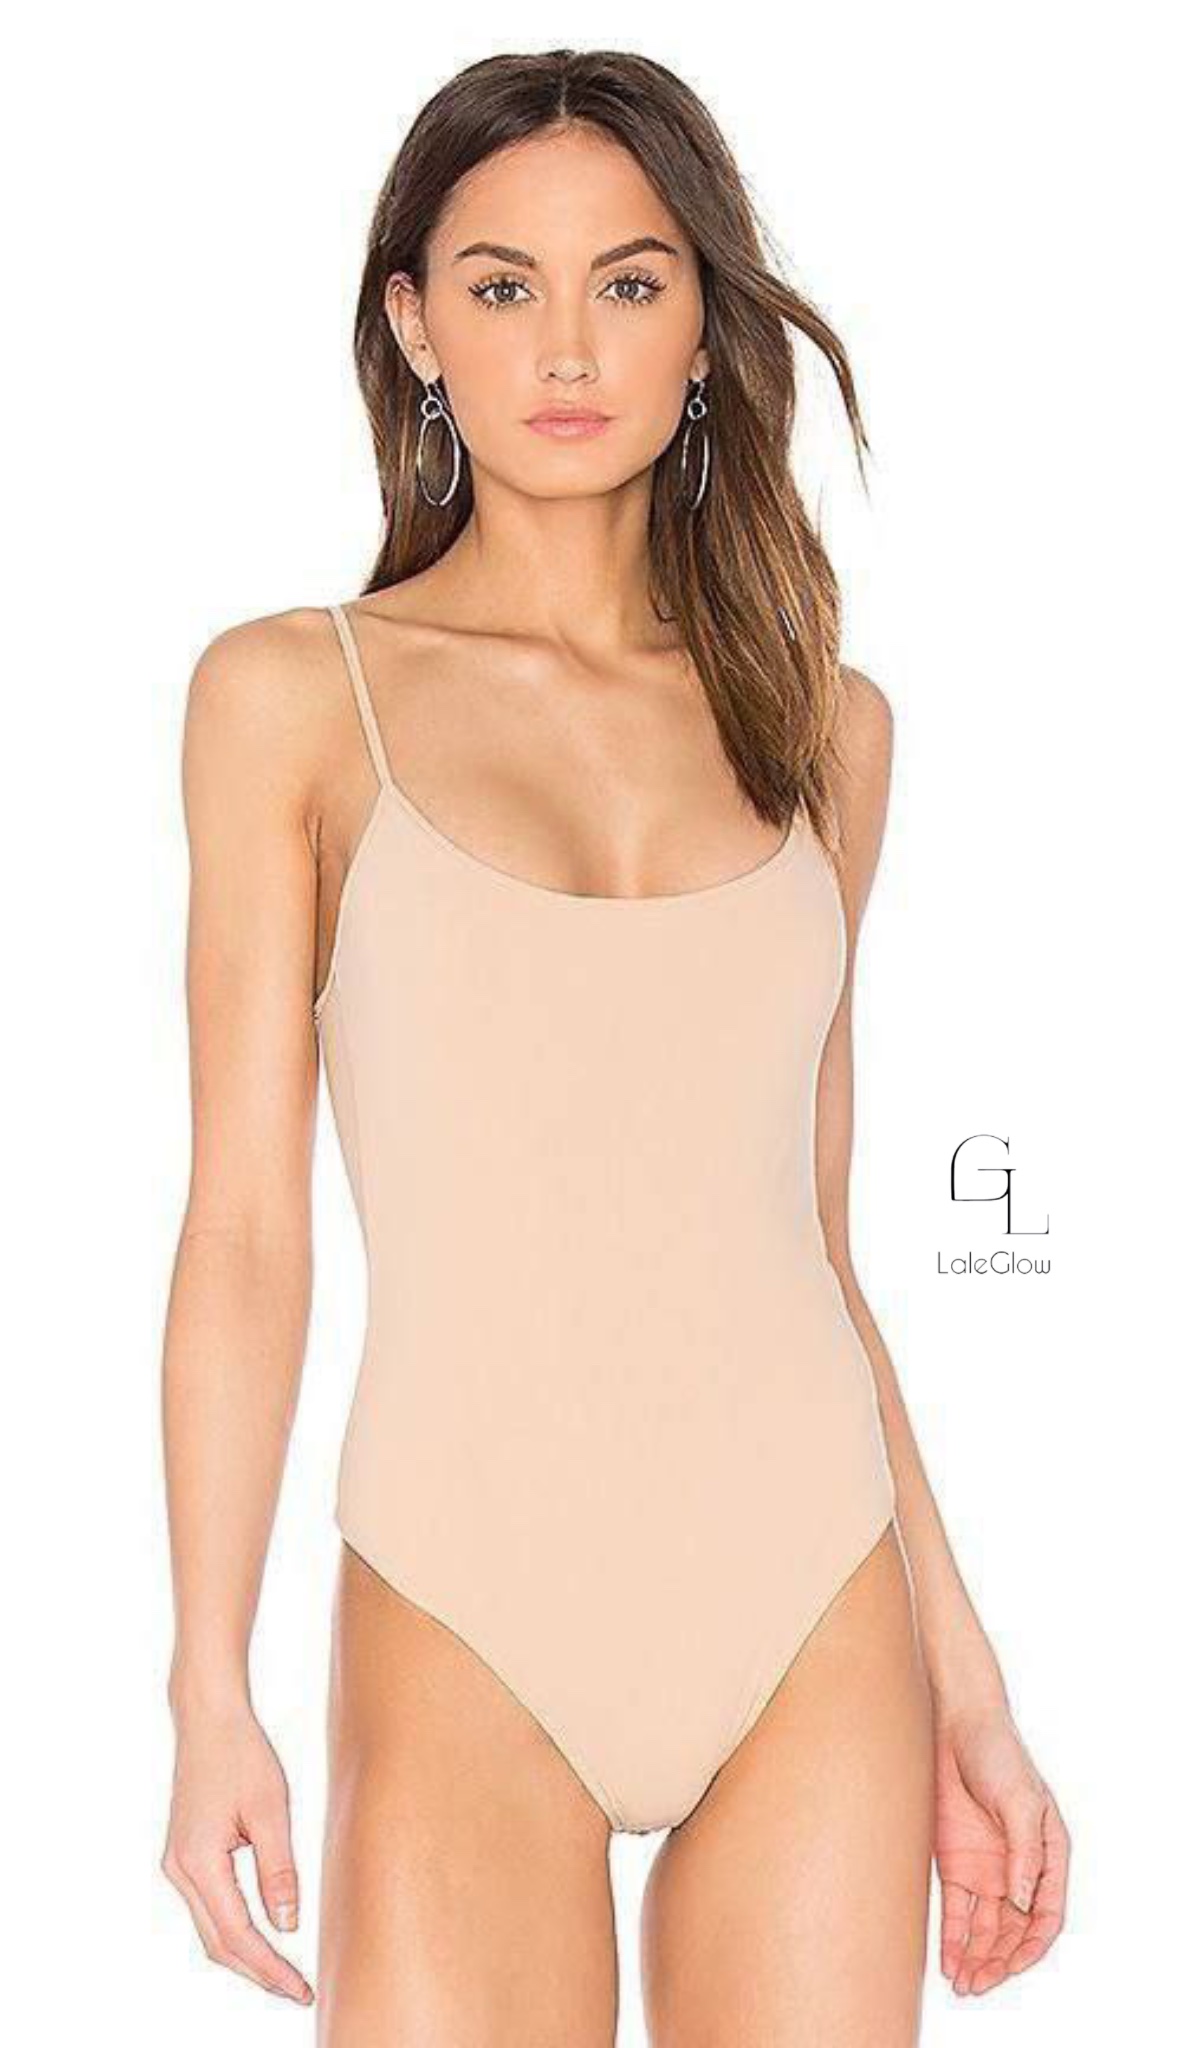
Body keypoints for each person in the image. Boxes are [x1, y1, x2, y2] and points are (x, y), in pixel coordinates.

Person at [159, 47, 1069, 2044]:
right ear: (415, 324)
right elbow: (242, 1230)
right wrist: (206, 1685)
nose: (566, 348)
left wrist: (968, 1681)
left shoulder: (823, 728)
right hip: (465, 1586)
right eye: (502, 286)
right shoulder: (292, 702)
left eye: (630, 282)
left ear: (704, 327)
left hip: (812, 1587)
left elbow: (812, 1245)